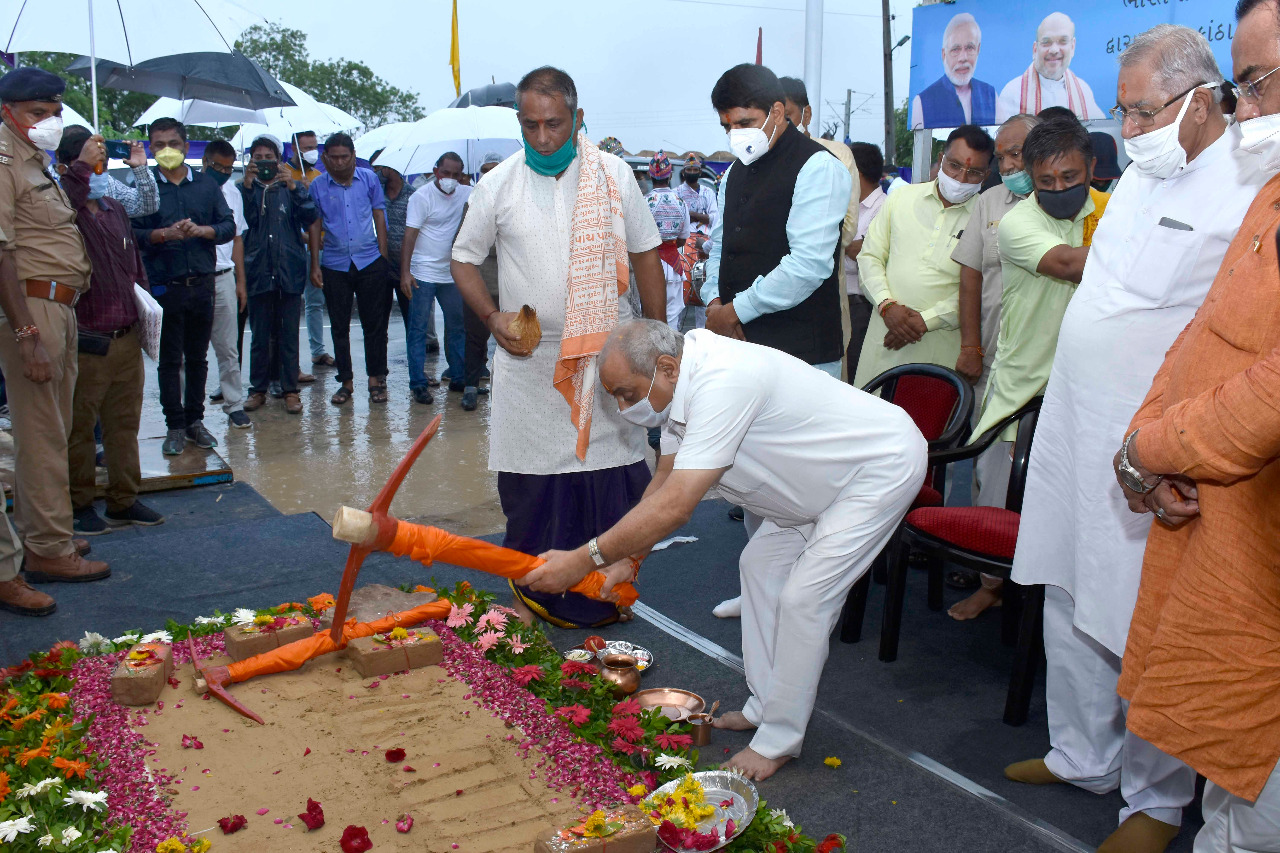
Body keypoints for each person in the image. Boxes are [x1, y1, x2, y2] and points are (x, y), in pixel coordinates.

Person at [1008, 22, 1270, 853]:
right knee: (1067, 589)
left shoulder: (1246, 185)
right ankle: (1081, 752)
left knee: (1144, 616)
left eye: (1143, 112)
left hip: (1158, 444)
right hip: (1076, 420)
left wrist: (1161, 443)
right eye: (1121, 112)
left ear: (1202, 100)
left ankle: (1153, 802)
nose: (1128, 131)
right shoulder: (1134, 177)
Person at [523, 320, 926, 780]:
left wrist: (581, 560)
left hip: (878, 469)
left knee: (804, 601)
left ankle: (779, 740)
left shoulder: (724, 380)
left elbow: (676, 506)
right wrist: (627, 559)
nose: (622, 406)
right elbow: (664, 482)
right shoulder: (682, 387)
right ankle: (764, 707)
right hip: (817, 487)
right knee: (757, 565)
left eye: (627, 394)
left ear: (667, 368)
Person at [1111, 9, 1280, 850]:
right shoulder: (1273, 191)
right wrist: (1145, 440)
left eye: (1256, 84)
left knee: (1255, 815)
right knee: (1231, 784)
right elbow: (1208, 332)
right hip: (1217, 516)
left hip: (1246, 516)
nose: (1247, 108)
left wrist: (1148, 446)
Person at [450, 66, 665, 629]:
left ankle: (607, 590)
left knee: (610, 474)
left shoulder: (614, 175)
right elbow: (463, 259)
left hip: (608, 355)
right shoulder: (498, 184)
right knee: (532, 482)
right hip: (529, 361)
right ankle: (540, 588)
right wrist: (492, 316)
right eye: (531, 126)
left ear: (577, 117)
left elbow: (646, 254)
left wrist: (659, 340)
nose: (543, 138)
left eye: (554, 124)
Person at [0, 68, 113, 616]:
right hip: (32, 307)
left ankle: (46, 531)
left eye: (54, 112)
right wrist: (25, 334)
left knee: (57, 425)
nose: (48, 122)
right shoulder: (3, 162)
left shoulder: (34, 161)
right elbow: (1, 251)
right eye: (36, 113)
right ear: (8, 111)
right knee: (42, 432)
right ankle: (47, 549)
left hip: (60, 305)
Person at [944, 114, 1039, 618]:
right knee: (992, 470)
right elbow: (970, 280)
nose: (1009, 164)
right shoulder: (989, 203)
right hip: (996, 360)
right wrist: (970, 345)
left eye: (1017, 152)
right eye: (1002, 156)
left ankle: (1040, 582)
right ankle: (992, 581)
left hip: (1050, 364)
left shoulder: (1073, 200)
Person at [701, 64, 851, 379]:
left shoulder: (818, 168)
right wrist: (714, 303)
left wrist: (733, 312)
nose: (736, 135)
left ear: (778, 111)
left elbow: (808, 265)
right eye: (727, 126)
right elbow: (720, 247)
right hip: (738, 348)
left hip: (800, 358)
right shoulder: (733, 173)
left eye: (745, 123)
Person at [55, 126, 165, 536]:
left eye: (101, 159)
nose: (99, 165)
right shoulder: (68, 206)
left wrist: (145, 312)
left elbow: (134, 266)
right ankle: (80, 503)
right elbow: (66, 198)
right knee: (80, 428)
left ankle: (124, 499)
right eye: (90, 158)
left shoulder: (114, 207)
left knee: (124, 425)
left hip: (127, 335)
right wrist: (80, 167)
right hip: (88, 338)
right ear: (71, 164)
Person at [853, 126, 993, 388]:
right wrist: (887, 306)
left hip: (939, 352)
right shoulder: (902, 198)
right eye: (953, 165)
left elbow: (982, 289)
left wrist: (925, 322)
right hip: (883, 340)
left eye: (973, 172)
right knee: (870, 418)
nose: (961, 177)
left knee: (926, 427)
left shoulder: (988, 218)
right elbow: (869, 257)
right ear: (941, 159)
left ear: (986, 174)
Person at [133, 117, 235, 457]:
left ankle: (195, 421)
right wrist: (163, 235)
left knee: (198, 359)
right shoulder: (146, 189)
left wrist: (203, 231)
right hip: (165, 287)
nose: (166, 151)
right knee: (168, 361)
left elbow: (227, 226)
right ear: (150, 148)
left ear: (186, 147)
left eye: (172, 144)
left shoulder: (206, 186)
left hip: (202, 284)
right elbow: (132, 236)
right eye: (158, 145)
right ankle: (174, 425)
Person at [778, 76, 860, 380]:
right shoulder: (753, 160)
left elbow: (846, 229)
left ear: (806, 115)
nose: (780, 124)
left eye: (787, 115)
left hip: (822, 297)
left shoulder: (836, 155)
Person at [308, 132, 391, 406]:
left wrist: (382, 255)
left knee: (374, 325)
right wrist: (315, 264)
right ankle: (345, 382)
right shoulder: (318, 186)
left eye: (346, 157)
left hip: (369, 261)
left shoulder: (368, 179)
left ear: (353, 157)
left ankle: (376, 380)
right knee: (339, 326)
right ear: (325, 158)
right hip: (334, 263)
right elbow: (315, 225)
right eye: (335, 157)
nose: (341, 162)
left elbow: (379, 214)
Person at [240, 134, 319, 415]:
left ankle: (290, 391)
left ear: (279, 159)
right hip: (259, 271)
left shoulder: (291, 187)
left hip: (289, 271)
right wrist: (249, 188)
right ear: (250, 161)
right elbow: (245, 222)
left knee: (288, 335)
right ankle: (258, 390)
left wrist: (295, 186)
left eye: (269, 157)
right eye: (258, 158)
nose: (264, 163)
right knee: (260, 335)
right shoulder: (244, 189)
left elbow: (310, 217)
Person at [402, 151, 472, 404]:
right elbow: (409, 236)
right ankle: (418, 383)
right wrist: (405, 273)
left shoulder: (467, 193)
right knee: (418, 329)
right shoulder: (421, 197)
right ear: (436, 172)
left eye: (456, 175)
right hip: (422, 272)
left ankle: (458, 376)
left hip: (451, 273)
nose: (450, 179)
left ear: (462, 175)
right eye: (446, 173)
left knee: (457, 326)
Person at [201, 139, 250, 429]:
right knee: (188, 351)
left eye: (228, 168)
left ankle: (234, 404)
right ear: (206, 162)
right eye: (218, 166)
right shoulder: (191, 190)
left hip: (224, 276)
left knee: (228, 347)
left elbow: (238, 238)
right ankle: (188, 414)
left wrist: (240, 281)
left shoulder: (232, 192)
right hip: (194, 278)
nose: (223, 171)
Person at [282, 130, 334, 372]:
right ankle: (290, 362)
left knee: (315, 302)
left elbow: (321, 215)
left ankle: (318, 351)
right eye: (306, 147)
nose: (312, 151)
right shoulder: (283, 174)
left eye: (314, 146)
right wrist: (297, 191)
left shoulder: (317, 176)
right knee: (290, 305)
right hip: (293, 247)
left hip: (318, 247)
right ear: (294, 149)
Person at [459, 152, 504, 412]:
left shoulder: (517, 200)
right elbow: (463, 245)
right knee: (475, 338)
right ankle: (471, 387)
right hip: (480, 282)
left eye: (494, 169)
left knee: (512, 340)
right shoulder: (473, 201)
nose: (490, 175)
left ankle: (507, 391)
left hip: (511, 284)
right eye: (485, 170)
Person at [997, 13, 1104, 123]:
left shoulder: (1083, 91)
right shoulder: (1013, 92)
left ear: (1072, 47)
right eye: (1046, 42)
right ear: (1035, 49)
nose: (1054, 50)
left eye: (1063, 41)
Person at [844, 142, 887, 380]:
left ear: (856, 173)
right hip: (843, 302)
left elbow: (867, 255)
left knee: (854, 373)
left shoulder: (884, 208)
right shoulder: (849, 207)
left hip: (862, 306)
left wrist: (853, 248)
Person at [911, 14, 997, 129]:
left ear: (978, 49)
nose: (963, 58)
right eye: (955, 49)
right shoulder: (922, 102)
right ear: (944, 54)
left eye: (969, 48)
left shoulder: (991, 95)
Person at [371, 152, 417, 342]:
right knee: (378, 320)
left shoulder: (413, 195)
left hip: (406, 267)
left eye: (378, 168)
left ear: (389, 168)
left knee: (412, 318)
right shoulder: (374, 192)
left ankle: (416, 364)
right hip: (380, 264)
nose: (376, 173)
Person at [644, 151, 691, 330]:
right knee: (671, 318)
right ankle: (671, 355)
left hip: (648, 265)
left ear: (650, 175)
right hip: (673, 265)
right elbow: (682, 239)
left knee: (649, 317)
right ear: (670, 175)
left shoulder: (645, 202)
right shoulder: (681, 203)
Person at [675, 154, 719, 330]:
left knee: (703, 289)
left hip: (704, 242)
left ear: (700, 172)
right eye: (689, 170)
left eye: (695, 170)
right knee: (680, 289)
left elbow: (715, 218)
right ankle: (676, 331)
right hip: (683, 242)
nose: (692, 172)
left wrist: (693, 215)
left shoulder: (708, 193)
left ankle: (702, 333)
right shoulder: (676, 193)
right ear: (684, 172)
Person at [99, 140, 160, 218]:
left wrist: (140, 169)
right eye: (89, 166)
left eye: (103, 167)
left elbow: (147, 207)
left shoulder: (109, 184)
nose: (97, 172)